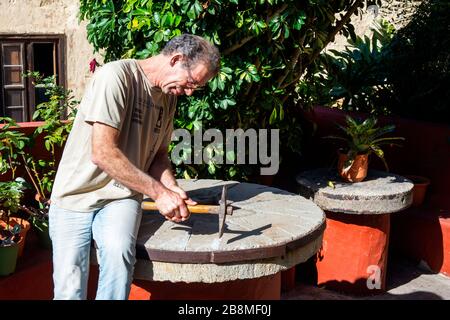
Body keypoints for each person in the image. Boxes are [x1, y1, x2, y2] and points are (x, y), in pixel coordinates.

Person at [48, 34, 220, 300]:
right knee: (70, 288)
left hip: (123, 195)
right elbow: (103, 153)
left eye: (194, 88)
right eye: (190, 83)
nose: (188, 92)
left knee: (119, 261)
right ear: (176, 59)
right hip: (75, 195)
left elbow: (159, 155)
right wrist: (159, 194)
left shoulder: (167, 97)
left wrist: (171, 186)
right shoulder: (116, 77)